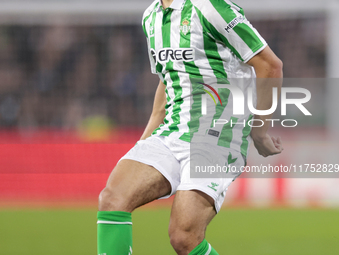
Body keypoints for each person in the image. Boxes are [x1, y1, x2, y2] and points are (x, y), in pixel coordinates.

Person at [97, 0, 283, 254]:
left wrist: (260, 132)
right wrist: (145, 142)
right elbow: (170, 77)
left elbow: (270, 65)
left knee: (184, 238)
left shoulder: (210, 7)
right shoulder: (151, 17)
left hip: (217, 136)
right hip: (173, 132)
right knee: (113, 199)